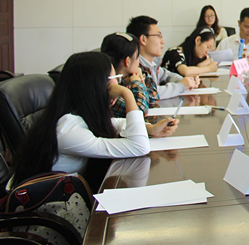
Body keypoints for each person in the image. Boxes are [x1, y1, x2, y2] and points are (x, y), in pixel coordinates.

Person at [13, 51, 179, 184]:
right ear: (94, 85)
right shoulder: (69, 130)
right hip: (48, 208)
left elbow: (115, 122)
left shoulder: (80, 115)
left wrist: (150, 128)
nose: (117, 86)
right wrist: (127, 94)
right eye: (113, 80)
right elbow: (139, 147)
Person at [126, 15, 198, 99]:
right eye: (158, 36)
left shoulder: (152, 64)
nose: (163, 41)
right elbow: (150, 93)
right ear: (143, 39)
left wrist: (187, 81)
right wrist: (181, 86)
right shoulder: (135, 68)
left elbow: (167, 75)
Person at [101, 32, 157, 117]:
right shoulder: (108, 87)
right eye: (137, 56)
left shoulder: (124, 78)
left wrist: (141, 76)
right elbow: (139, 112)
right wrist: (136, 82)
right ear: (127, 61)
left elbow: (154, 97)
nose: (138, 62)